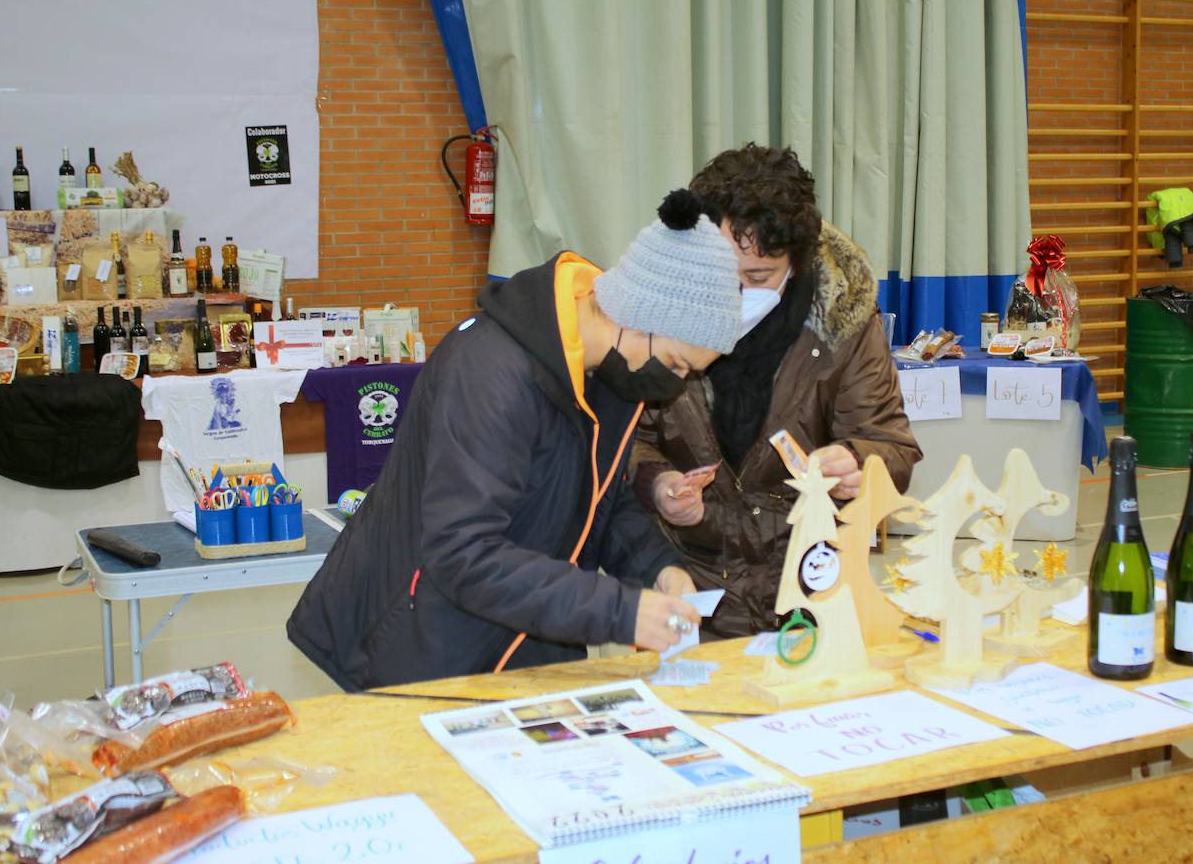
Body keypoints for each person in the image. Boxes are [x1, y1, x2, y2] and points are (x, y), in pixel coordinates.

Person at [288, 189, 743, 690]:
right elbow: (463, 551)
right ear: (638, 316)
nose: (675, 383)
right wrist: (622, 611)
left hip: (526, 637)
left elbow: (600, 501)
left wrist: (658, 570)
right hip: (420, 645)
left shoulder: (613, 373)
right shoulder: (491, 372)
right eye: (677, 363)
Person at [630, 144, 922, 639]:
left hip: (807, 585)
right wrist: (657, 483)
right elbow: (622, 439)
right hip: (691, 584)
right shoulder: (657, 313)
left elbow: (892, 446)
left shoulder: (842, 325)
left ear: (796, 263)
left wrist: (858, 461)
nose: (735, 292)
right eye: (719, 272)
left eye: (757, 277)